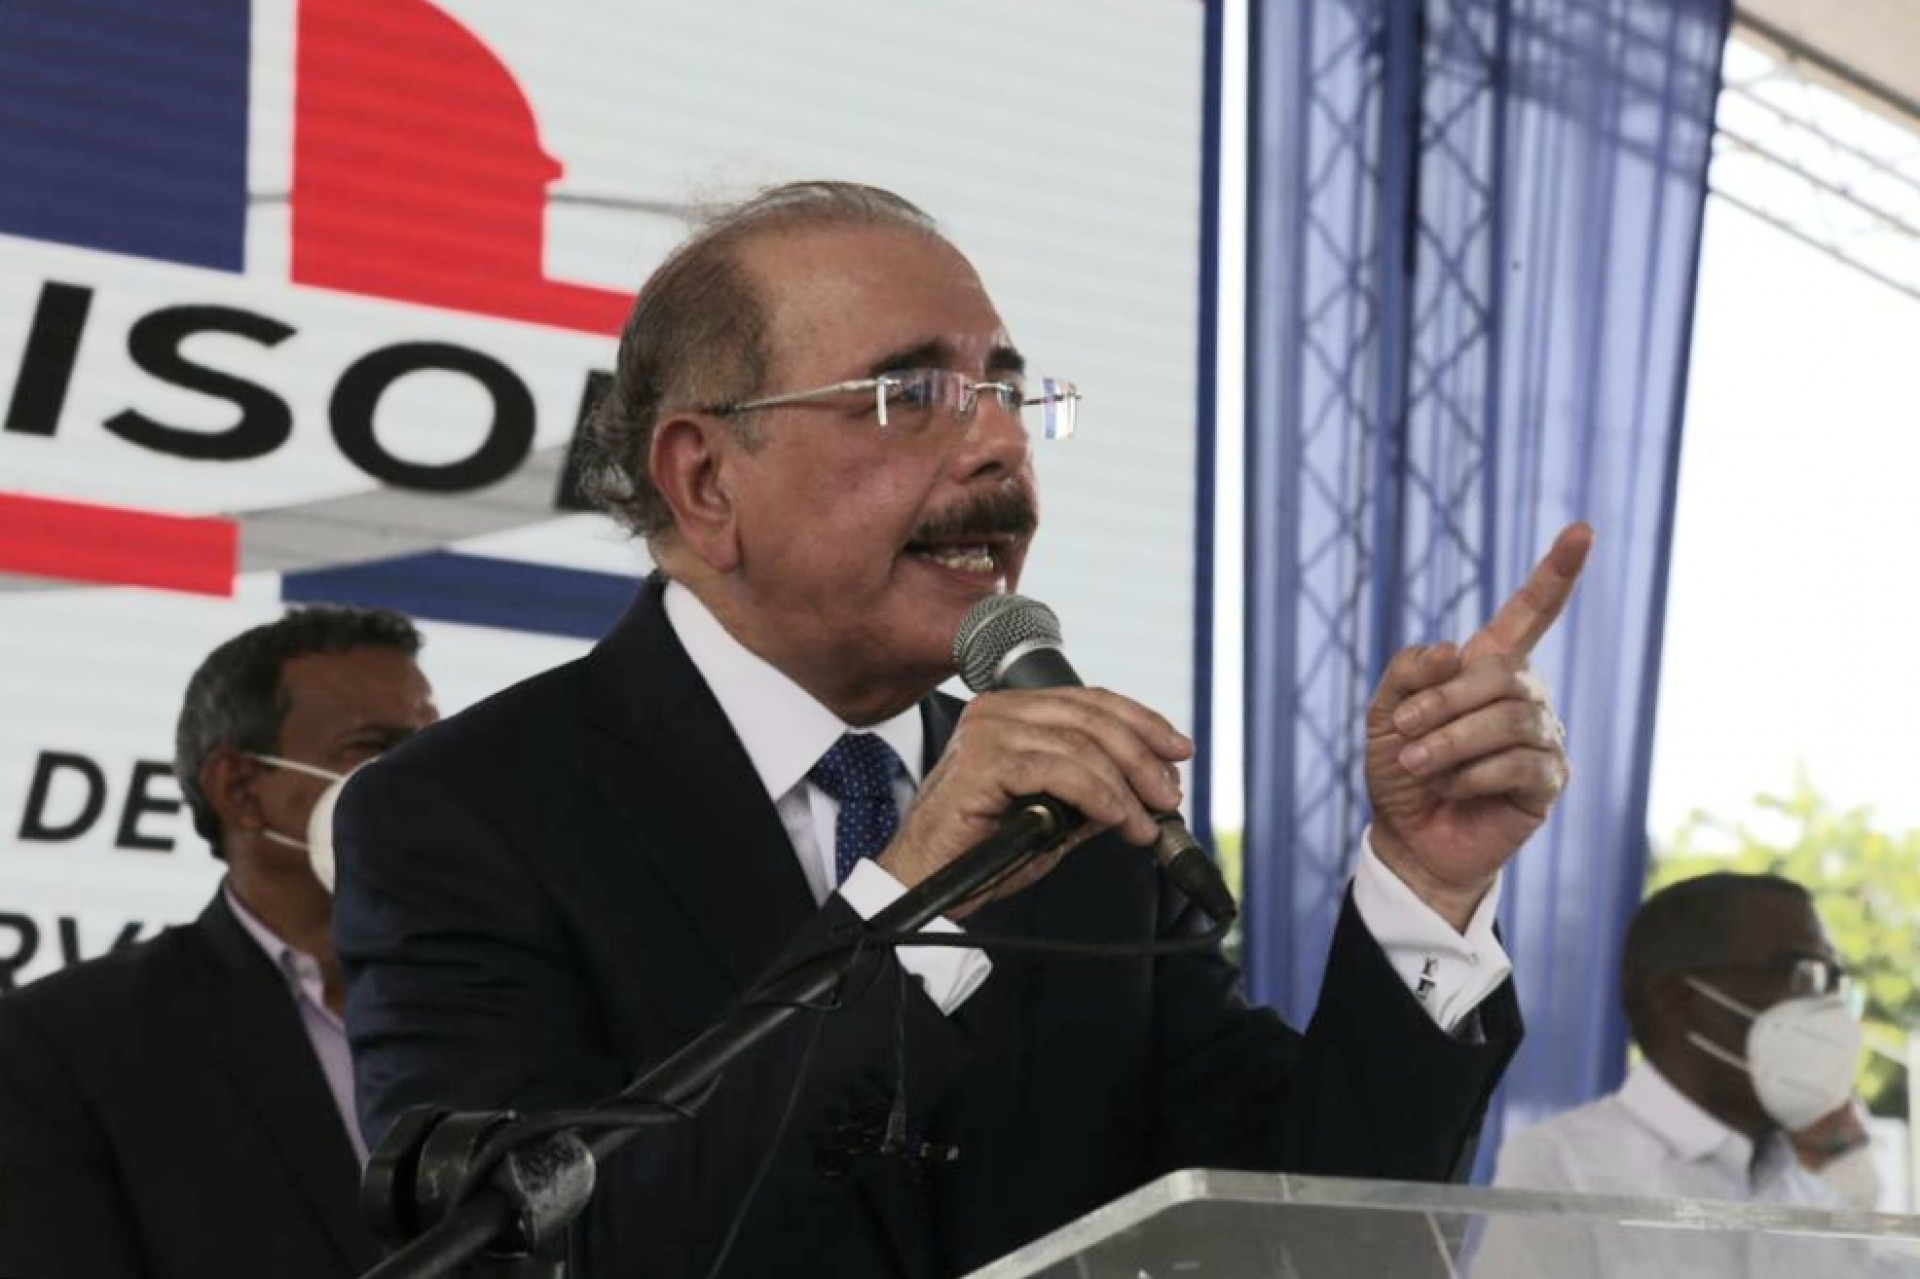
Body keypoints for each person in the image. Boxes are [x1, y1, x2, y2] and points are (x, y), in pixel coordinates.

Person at [334, 180, 1588, 1279]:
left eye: (1006, 390)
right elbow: (548, 1253)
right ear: (706, 478)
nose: (999, 443)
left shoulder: (1086, 819)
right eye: (911, 394)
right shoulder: (462, 815)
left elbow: (1305, 1232)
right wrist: (910, 897)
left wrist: (1426, 887)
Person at [0, 606, 438, 1279]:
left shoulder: (512, 1002)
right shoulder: (64, 1044)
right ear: (239, 789)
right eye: (372, 746)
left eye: (434, 748)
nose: (428, 780)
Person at [1474, 873, 1891, 1279]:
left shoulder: (1816, 1192)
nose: (1824, 1008)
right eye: (1799, 973)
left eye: (1831, 981)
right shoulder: (1563, 1170)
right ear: (1677, 999)